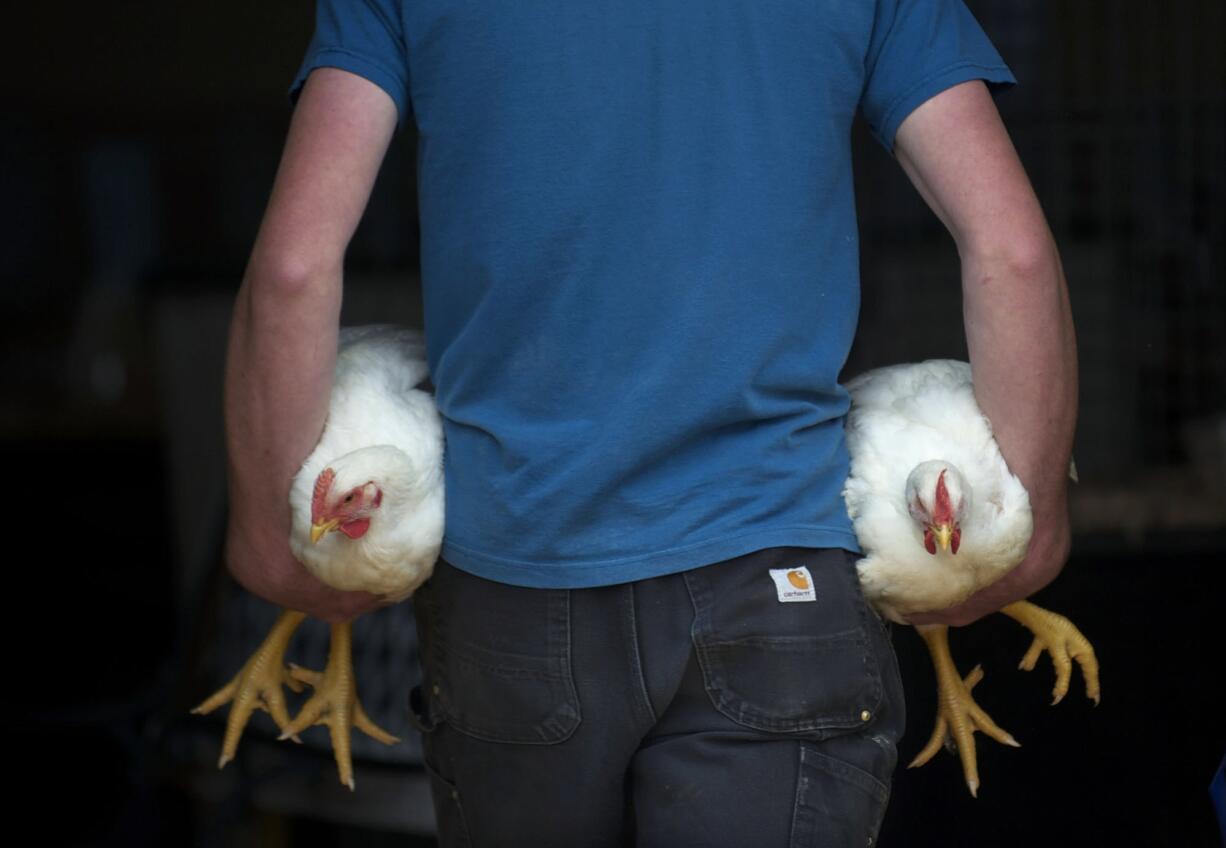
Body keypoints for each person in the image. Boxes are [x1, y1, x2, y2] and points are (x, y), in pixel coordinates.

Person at [224, 0, 1076, 844]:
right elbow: (1011, 249)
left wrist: (269, 525)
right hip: (776, 575)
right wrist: (1029, 517)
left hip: (517, 583)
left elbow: (297, 267)